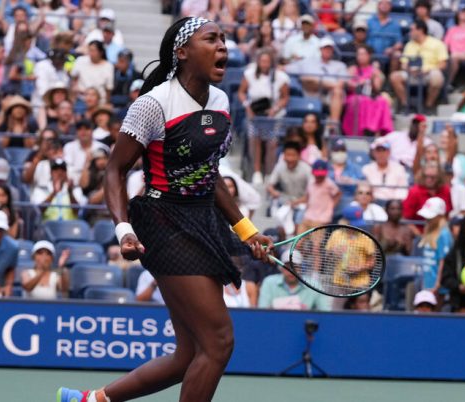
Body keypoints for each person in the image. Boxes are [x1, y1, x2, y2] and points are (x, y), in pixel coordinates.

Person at [57, 17, 274, 402]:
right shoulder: (153, 104)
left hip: (203, 221)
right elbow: (115, 170)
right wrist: (124, 230)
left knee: (188, 353)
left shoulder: (222, 103)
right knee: (219, 340)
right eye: (212, 39)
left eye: (224, 39)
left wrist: (246, 231)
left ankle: (93, 400)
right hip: (162, 221)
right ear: (183, 52)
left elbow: (212, 175)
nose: (223, 46)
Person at [238, 49, 290, 184]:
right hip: (254, 115)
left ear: (271, 62)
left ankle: (269, 173)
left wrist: (275, 109)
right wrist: (247, 106)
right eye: (262, 61)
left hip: (274, 116)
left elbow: (285, 98)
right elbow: (241, 93)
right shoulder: (249, 74)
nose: (264, 64)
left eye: (267, 61)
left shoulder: (281, 76)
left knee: (271, 144)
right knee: (255, 141)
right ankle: (256, 173)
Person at [389, 20, 448, 114]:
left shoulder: (437, 43)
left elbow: (443, 64)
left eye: (412, 30)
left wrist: (428, 70)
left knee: (437, 77)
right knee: (394, 76)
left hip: (429, 72)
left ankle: (429, 106)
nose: (410, 33)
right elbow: (404, 63)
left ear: (420, 30)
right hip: (412, 73)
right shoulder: (409, 45)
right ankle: (405, 104)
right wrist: (409, 70)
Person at [258, 250, 331, 311]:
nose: (291, 270)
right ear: (281, 268)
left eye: (295, 266)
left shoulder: (314, 285)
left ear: (301, 268)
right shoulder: (269, 282)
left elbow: (326, 312)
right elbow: (262, 311)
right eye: (288, 266)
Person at [266, 142, 312, 235]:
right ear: (283, 156)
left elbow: (312, 192)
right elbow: (269, 185)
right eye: (287, 155)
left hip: (302, 202)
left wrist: (297, 202)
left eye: (293, 155)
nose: (289, 158)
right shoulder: (279, 167)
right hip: (285, 201)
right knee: (279, 213)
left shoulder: (306, 169)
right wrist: (273, 191)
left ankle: (295, 241)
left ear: (299, 156)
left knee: (299, 218)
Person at [293, 160, 341, 234]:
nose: (319, 176)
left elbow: (338, 194)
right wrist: (296, 202)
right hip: (308, 216)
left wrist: (331, 206)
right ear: (313, 172)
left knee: (316, 245)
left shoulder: (329, 184)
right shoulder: (310, 182)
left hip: (322, 219)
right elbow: (307, 197)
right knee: (298, 242)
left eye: (321, 174)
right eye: (317, 174)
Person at [416, 197, 453, 292]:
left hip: (437, 285)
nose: (427, 219)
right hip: (427, 281)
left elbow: (443, 261)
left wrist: (438, 284)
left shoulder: (444, 234)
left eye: (430, 217)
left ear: (440, 216)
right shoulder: (429, 231)